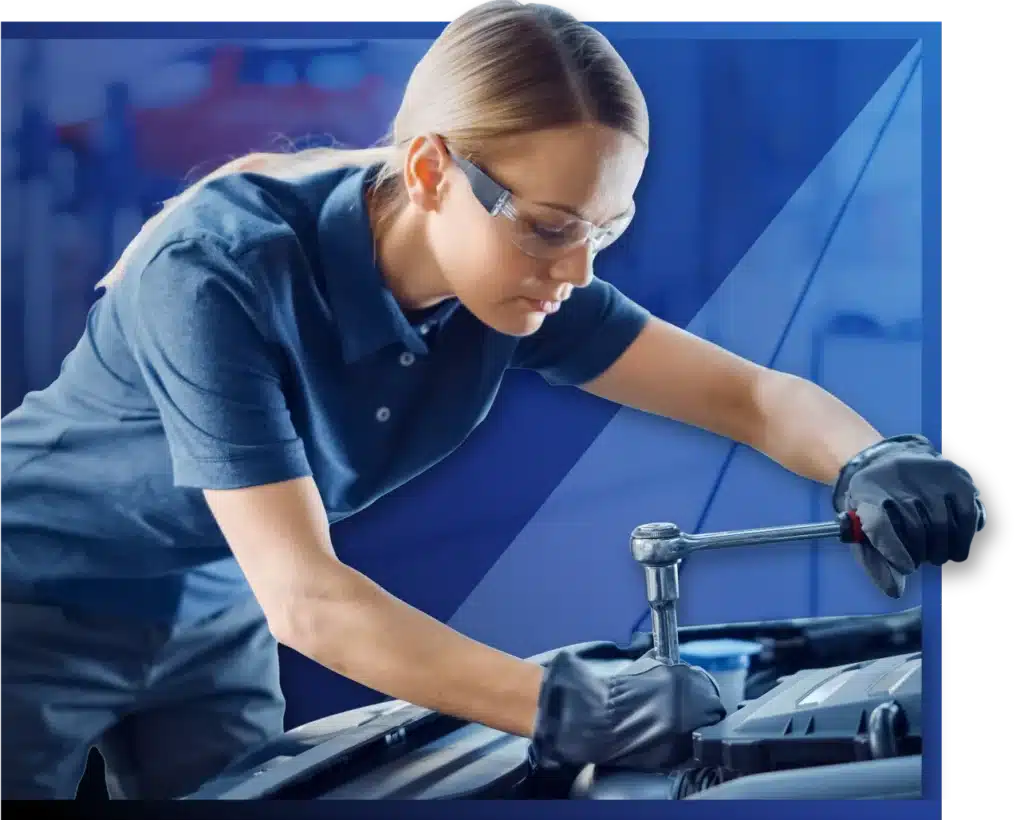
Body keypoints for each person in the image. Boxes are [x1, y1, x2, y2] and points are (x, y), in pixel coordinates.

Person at [0, 0, 982, 801]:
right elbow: (309, 599)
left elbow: (753, 398)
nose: (579, 267)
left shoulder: (512, 281)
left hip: (215, 601)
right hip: (33, 593)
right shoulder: (217, 270)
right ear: (431, 170)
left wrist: (870, 458)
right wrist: (562, 703)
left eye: (605, 227)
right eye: (553, 225)